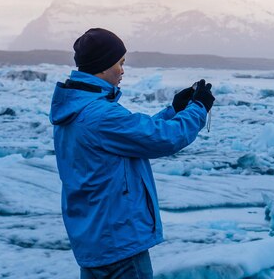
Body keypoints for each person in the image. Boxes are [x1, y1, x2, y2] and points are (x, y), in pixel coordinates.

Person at [49, 28, 214, 278]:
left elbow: (134, 136)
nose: (123, 70)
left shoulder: (76, 110)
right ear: (103, 66)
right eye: (120, 63)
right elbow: (163, 138)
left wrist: (173, 111)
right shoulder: (100, 115)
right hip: (119, 239)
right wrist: (198, 108)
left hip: (93, 236)